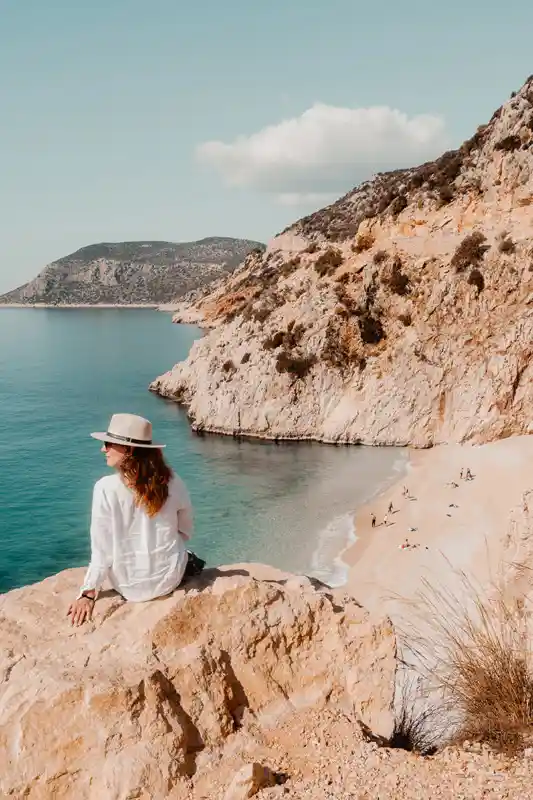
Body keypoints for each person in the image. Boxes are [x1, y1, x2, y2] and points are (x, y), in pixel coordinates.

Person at [68, 413, 198, 626]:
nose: (103, 449)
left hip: (130, 587)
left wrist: (88, 593)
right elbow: (185, 530)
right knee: (186, 553)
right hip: (168, 580)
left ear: (129, 450)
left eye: (109, 444)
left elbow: (102, 551)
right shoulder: (173, 481)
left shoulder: (104, 488)